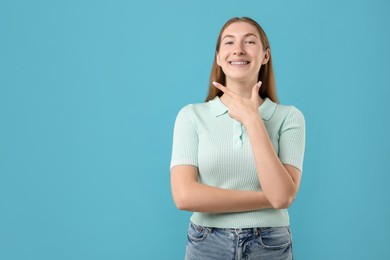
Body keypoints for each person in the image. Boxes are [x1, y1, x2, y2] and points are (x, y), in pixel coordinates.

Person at [170, 17, 305, 260]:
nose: (238, 49)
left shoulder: (289, 117)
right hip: (206, 242)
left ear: (265, 56)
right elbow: (184, 196)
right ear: (219, 57)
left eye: (250, 41)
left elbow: (283, 197)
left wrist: (253, 120)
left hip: (270, 244)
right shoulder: (191, 116)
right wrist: (267, 198)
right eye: (229, 42)